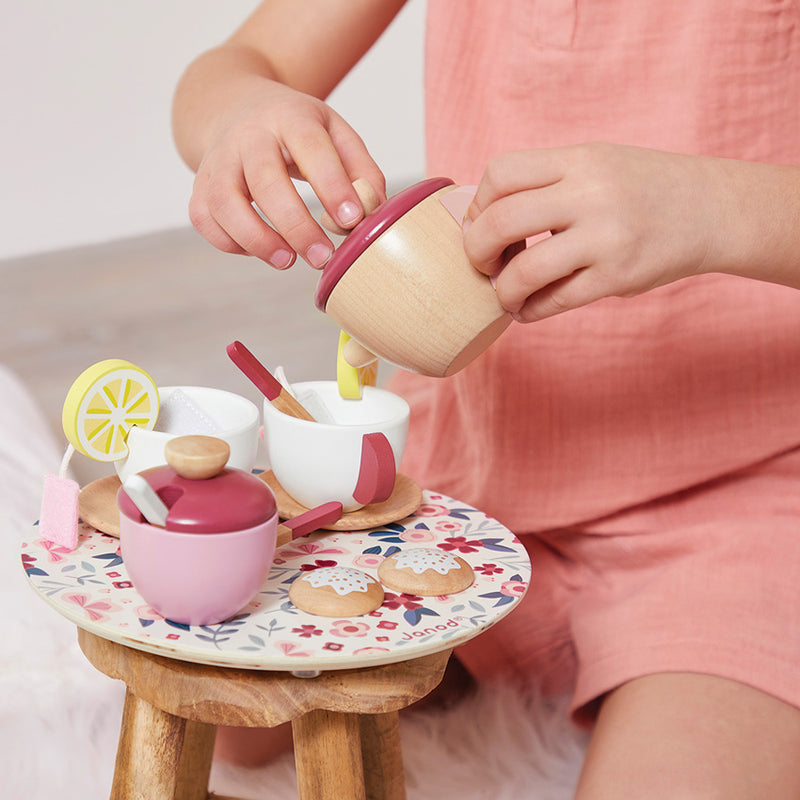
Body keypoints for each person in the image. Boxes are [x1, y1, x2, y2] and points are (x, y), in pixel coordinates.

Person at [173, 1, 800, 795]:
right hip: (469, 462)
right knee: (219, 719)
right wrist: (243, 113)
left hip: (748, 499)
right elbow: (238, 62)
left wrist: (715, 205)